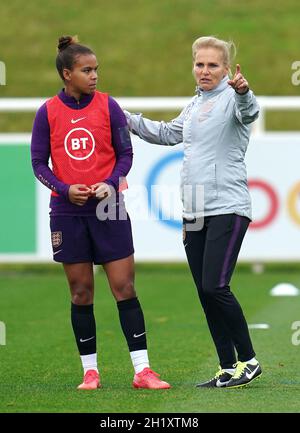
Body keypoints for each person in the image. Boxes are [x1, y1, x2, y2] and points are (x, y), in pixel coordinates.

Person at [31, 35, 170, 391]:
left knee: (124, 287)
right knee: (81, 292)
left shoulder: (109, 106)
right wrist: (64, 189)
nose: (94, 76)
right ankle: (90, 372)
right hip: (67, 211)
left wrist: (111, 182)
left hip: (109, 208)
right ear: (67, 74)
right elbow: (37, 163)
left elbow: (126, 155)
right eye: (86, 70)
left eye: (96, 70)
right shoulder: (47, 112)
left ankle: (143, 371)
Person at [124, 36, 262, 389]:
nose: (204, 70)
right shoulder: (195, 104)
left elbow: (250, 111)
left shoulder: (233, 97)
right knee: (204, 291)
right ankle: (227, 366)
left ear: (227, 70)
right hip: (195, 213)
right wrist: (123, 117)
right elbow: (169, 134)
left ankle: (249, 361)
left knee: (216, 286)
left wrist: (245, 91)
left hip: (228, 206)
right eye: (199, 64)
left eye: (213, 65)